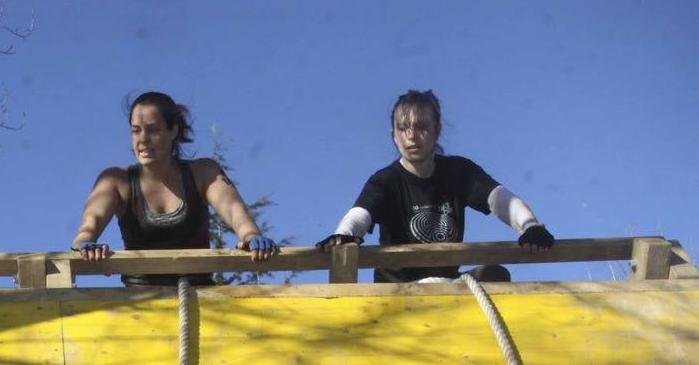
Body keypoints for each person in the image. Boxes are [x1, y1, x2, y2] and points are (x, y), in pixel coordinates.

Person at [318, 89, 554, 282]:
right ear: (394, 135)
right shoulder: (385, 180)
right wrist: (344, 235)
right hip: (397, 292)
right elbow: (360, 214)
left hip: (449, 287)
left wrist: (530, 226)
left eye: (421, 126)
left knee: (495, 275)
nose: (411, 136)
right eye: (403, 128)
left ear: (437, 131)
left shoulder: (459, 171)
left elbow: (499, 198)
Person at [70, 91, 279, 287]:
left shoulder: (203, 173)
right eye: (136, 131)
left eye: (153, 130)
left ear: (173, 130)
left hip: (201, 297)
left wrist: (250, 235)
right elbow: (91, 223)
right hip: (139, 305)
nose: (143, 139)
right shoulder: (115, 180)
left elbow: (234, 212)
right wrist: (84, 244)